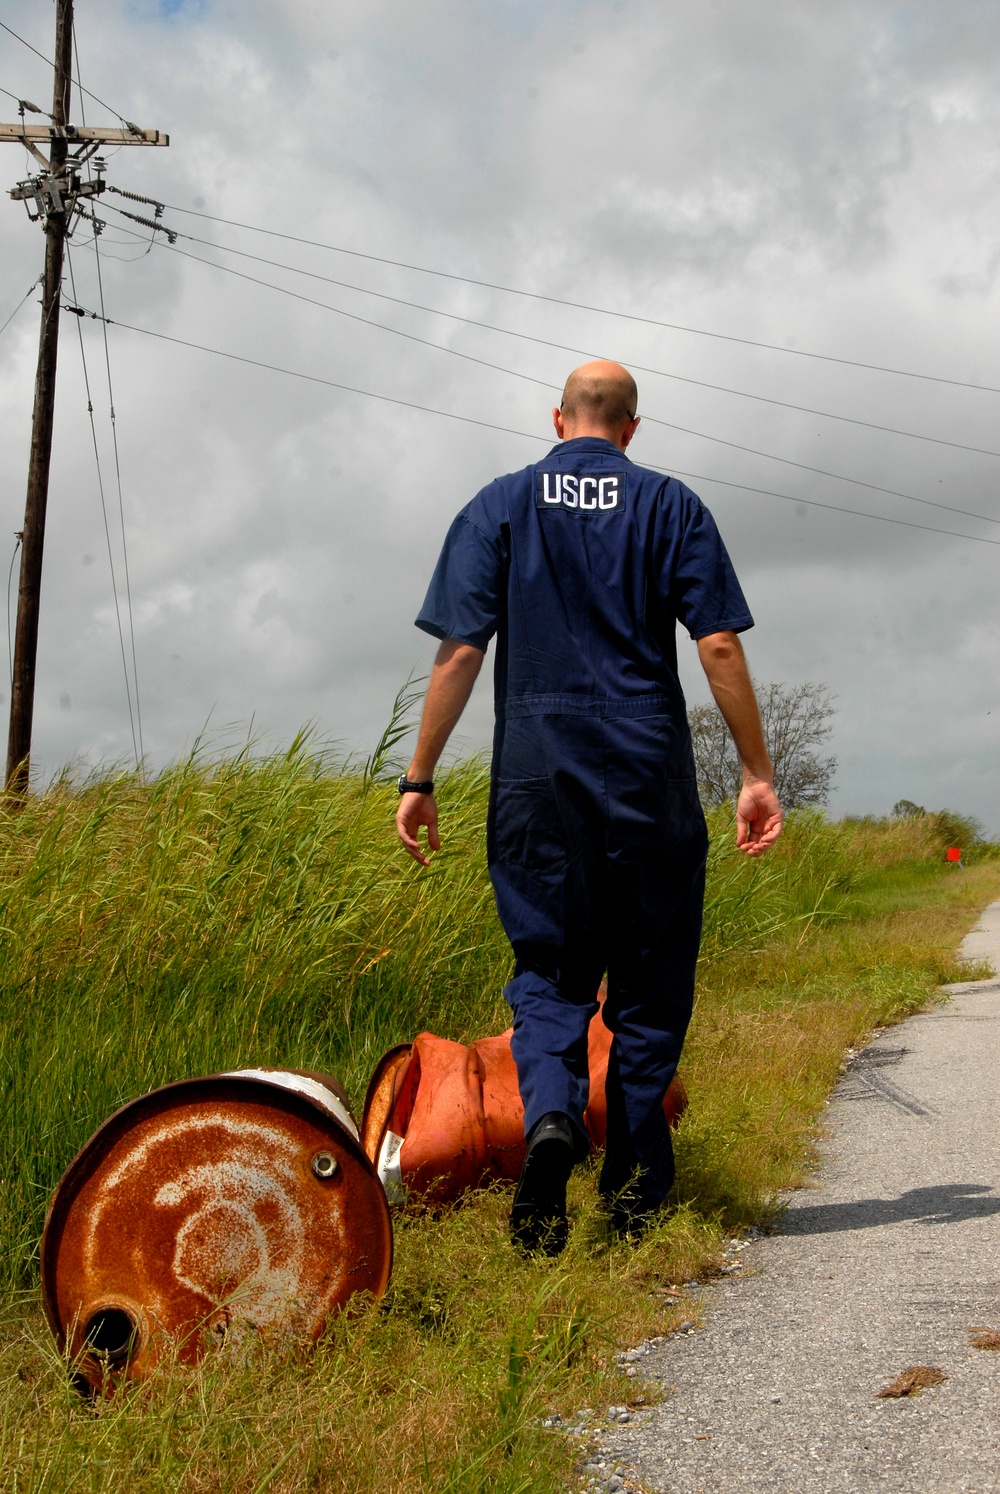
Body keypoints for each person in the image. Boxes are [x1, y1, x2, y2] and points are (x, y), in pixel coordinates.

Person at [396, 360, 782, 1254]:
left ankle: (552, 1126)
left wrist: (418, 778)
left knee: (551, 968)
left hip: (538, 765)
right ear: (632, 429)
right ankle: (636, 1180)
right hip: (645, 761)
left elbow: (461, 652)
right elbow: (717, 643)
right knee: (650, 970)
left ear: (559, 420)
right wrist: (755, 772)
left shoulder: (499, 504)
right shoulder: (672, 505)